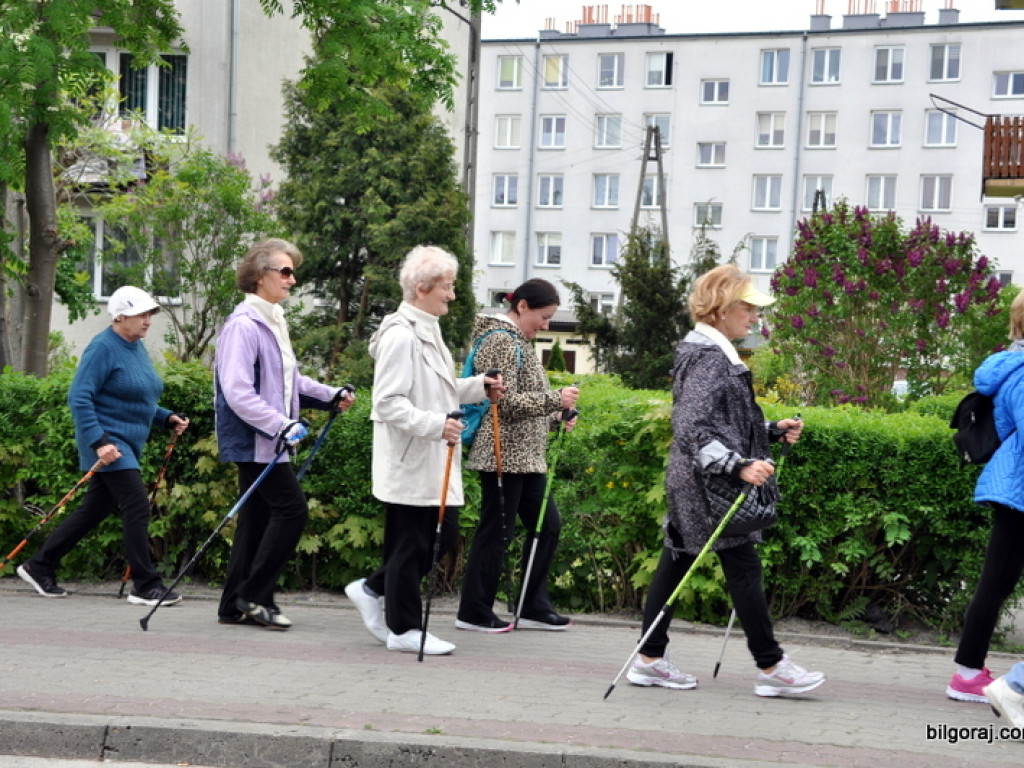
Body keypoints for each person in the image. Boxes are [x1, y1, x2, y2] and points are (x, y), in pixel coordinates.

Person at [626, 264, 823, 697]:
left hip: (695, 481)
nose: (755, 317)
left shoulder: (713, 353)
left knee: (676, 562)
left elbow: (723, 423)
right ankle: (771, 667)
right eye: (747, 308)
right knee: (742, 567)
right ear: (720, 309)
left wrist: (771, 429)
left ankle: (649, 659)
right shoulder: (710, 358)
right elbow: (692, 427)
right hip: (708, 486)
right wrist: (737, 466)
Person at [344, 244, 501, 655]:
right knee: (416, 542)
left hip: (428, 455)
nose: (452, 294)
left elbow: (434, 389)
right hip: (411, 459)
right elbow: (387, 402)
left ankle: (371, 589)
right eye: (446, 287)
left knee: (436, 535)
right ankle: (404, 629)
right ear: (421, 287)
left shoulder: (427, 328)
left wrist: (476, 387)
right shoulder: (401, 335)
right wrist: (436, 425)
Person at [17, 286, 189, 606]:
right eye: (141, 314)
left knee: (94, 510)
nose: (148, 321)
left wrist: (166, 418)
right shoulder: (103, 347)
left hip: (123, 441)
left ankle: (39, 566)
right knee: (137, 504)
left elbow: (137, 397)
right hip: (107, 441)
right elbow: (79, 397)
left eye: (149, 314)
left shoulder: (135, 347)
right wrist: (99, 441)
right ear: (120, 315)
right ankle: (145, 584)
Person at [214, 238, 353, 630]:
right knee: (292, 510)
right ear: (260, 276)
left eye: (294, 271)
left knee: (256, 519)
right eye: (286, 271)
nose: (293, 279)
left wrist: (331, 395)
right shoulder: (244, 325)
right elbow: (237, 390)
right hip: (256, 438)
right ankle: (254, 596)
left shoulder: (273, 319)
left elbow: (289, 381)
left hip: (271, 438)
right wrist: (282, 424)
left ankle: (232, 605)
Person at [456, 278, 580, 633]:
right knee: (497, 532)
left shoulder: (520, 341)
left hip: (526, 457)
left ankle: (531, 606)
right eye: (543, 316)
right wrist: (556, 400)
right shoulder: (501, 341)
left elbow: (524, 402)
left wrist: (557, 417)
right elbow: (502, 403)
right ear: (522, 306)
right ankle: (474, 612)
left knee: (547, 526)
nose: (547, 325)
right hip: (502, 455)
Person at [946, 288, 1024, 703]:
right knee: (995, 583)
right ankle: (968, 675)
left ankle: (969, 672)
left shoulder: (1013, 364)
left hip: (1014, 488)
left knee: (996, 582)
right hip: (1019, 492)